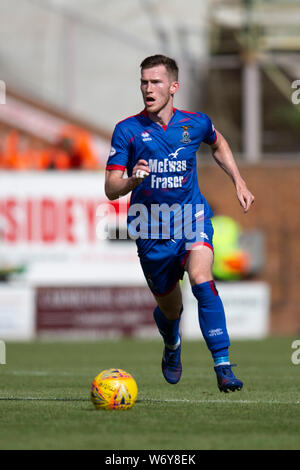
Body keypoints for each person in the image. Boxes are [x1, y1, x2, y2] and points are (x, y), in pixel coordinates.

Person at [105, 54, 254, 392]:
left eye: (155, 82)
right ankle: (171, 343)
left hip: (191, 217)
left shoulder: (196, 122)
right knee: (171, 311)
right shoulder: (127, 131)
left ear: (173, 87)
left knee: (202, 280)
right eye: (144, 82)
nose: (148, 88)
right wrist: (132, 181)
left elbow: (218, 143)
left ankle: (223, 365)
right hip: (150, 228)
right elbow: (110, 189)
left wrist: (239, 182)